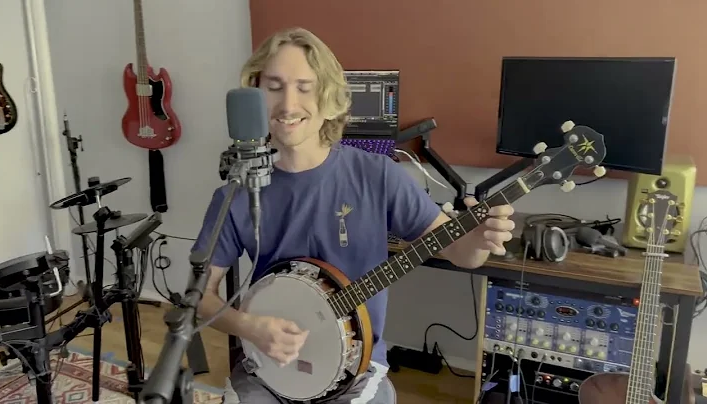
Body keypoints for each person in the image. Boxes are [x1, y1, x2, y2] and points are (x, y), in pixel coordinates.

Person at [193, 27, 515, 404]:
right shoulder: (235, 194)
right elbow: (198, 294)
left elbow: (464, 255)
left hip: (356, 374)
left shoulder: (378, 175)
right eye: (274, 86)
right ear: (254, 98)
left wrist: (479, 239)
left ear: (329, 98)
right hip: (266, 369)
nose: (287, 104)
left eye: (304, 86)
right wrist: (248, 327)